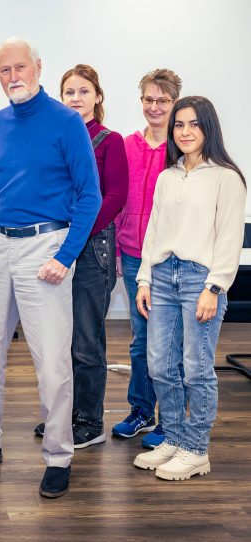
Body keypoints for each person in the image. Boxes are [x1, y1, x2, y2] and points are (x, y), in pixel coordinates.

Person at [0, 37, 101, 500]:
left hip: (45, 248)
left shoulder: (67, 122)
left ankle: (58, 455)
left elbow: (90, 197)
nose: (13, 76)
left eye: (19, 67)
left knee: (51, 362)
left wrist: (64, 256)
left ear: (37, 67)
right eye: (4, 70)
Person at [132, 96, 246, 480]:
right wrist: (144, 277)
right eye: (179, 125)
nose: (184, 132)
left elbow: (229, 238)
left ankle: (197, 450)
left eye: (193, 124)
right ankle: (175, 439)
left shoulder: (226, 177)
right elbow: (154, 231)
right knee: (161, 365)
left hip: (201, 278)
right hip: (163, 275)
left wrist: (214, 288)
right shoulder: (168, 176)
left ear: (208, 128)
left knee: (196, 369)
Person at [32, 65, 127, 448]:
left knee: (86, 340)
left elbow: (116, 196)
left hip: (92, 249)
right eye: (68, 92)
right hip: (54, 244)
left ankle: (89, 420)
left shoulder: (110, 140)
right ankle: (63, 417)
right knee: (58, 339)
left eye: (83, 91)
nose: (75, 98)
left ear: (97, 97)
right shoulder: (56, 136)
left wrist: (77, 232)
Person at [113, 69, 183, 449]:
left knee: (168, 342)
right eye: (149, 99)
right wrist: (123, 253)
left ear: (174, 103)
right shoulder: (126, 145)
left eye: (163, 100)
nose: (154, 107)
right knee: (140, 341)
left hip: (171, 259)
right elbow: (120, 197)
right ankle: (141, 410)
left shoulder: (182, 146)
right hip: (133, 253)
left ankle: (172, 418)